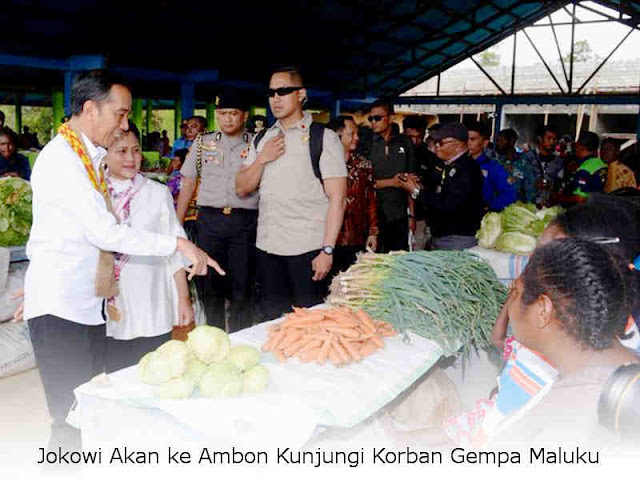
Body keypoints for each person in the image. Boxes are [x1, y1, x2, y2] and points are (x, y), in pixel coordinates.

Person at [21, 70, 223, 450]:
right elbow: (105, 233)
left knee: (93, 405)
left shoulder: (88, 158)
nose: (125, 125)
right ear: (91, 109)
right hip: (61, 305)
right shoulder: (63, 160)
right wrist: (178, 245)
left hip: (86, 303)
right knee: (69, 415)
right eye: (121, 114)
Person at [490, 237, 639, 446]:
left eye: (515, 291)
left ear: (543, 310)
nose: (510, 301)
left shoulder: (556, 427)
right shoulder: (627, 366)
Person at [236, 66, 347, 321]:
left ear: (301, 94)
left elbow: (337, 199)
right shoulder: (262, 138)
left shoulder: (323, 137)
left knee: (310, 324)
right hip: (268, 248)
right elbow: (242, 187)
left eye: (283, 91)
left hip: (307, 251)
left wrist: (327, 251)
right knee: (272, 323)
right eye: (272, 92)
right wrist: (262, 159)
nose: (276, 98)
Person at [103, 123, 193, 372]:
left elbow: (175, 251)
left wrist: (183, 300)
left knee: (154, 371)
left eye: (136, 150)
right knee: (116, 375)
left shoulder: (157, 193)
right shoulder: (95, 194)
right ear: (104, 154)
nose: (131, 158)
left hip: (152, 300)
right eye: (121, 151)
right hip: (111, 301)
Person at [177, 93, 257, 333]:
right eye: (222, 114)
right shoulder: (203, 143)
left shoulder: (256, 143)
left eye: (233, 114)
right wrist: (177, 223)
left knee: (242, 288)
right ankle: (214, 337)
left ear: (244, 116)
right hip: (210, 222)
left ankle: (241, 339)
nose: (228, 120)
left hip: (244, 222)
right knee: (209, 285)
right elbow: (188, 183)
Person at [398, 123, 484, 250]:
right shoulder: (447, 165)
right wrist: (418, 186)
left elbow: (449, 204)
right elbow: (439, 193)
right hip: (441, 235)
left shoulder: (467, 170)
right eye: (435, 142)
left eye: (441, 143)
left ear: (458, 145)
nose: (436, 146)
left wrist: (416, 191)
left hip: (456, 238)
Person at [327, 115, 378, 272]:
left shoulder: (364, 165)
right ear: (337, 135)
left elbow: (371, 199)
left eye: (357, 134)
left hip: (357, 236)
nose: (357, 138)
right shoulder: (322, 165)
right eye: (352, 134)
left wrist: (373, 232)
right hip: (328, 239)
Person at [368, 99, 416, 252]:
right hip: (372, 215)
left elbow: (411, 181)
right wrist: (391, 182)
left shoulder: (405, 142)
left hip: (398, 214)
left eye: (378, 118)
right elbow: (362, 183)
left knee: (397, 260)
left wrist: (412, 216)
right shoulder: (365, 142)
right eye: (371, 118)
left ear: (390, 118)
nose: (373, 122)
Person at [466, 121, 516, 212]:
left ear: (485, 143)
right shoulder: (458, 164)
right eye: (465, 139)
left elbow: (509, 194)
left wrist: (490, 207)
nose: (468, 143)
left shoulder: (493, 167)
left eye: (472, 139)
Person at [403, 115, 435, 250]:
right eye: (410, 137)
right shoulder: (393, 152)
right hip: (397, 214)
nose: (414, 141)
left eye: (419, 137)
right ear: (403, 133)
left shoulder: (429, 157)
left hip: (421, 215)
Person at [557, 131, 607, 205]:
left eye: (577, 143)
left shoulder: (585, 169)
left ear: (581, 146)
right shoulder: (602, 164)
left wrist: (560, 198)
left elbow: (580, 198)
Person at [520, 125, 563, 206]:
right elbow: (518, 182)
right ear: (540, 139)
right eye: (549, 138)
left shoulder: (558, 162)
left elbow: (559, 185)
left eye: (554, 139)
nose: (552, 142)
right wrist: (533, 184)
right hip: (527, 206)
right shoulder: (526, 158)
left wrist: (551, 187)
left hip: (549, 208)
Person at [495, 128, 537, 204]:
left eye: (501, 140)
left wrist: (527, 206)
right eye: (497, 141)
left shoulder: (524, 162)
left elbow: (531, 187)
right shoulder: (496, 162)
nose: (498, 143)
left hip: (518, 208)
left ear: (512, 141)